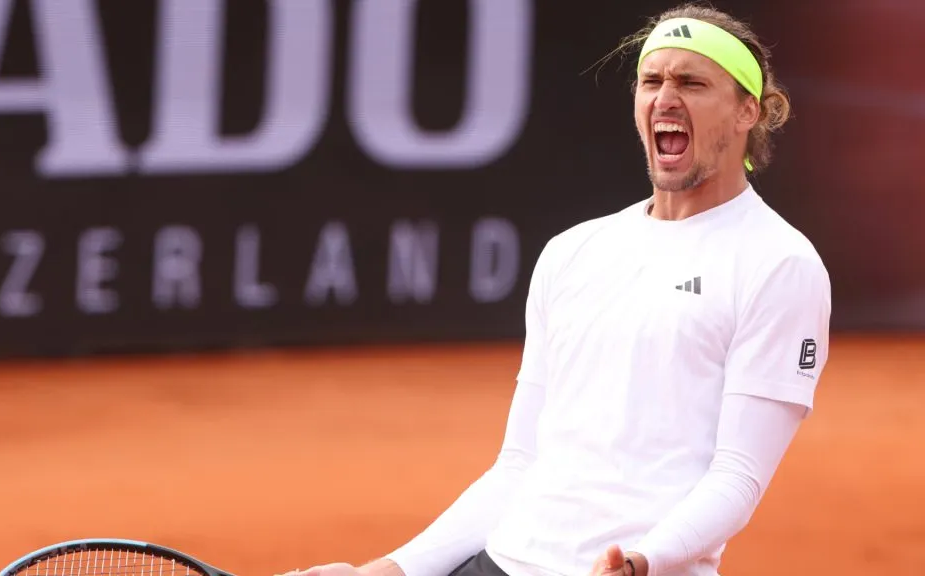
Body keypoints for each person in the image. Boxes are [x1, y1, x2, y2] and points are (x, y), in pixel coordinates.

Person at [287, 3, 831, 576]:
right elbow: (520, 465)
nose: (665, 98)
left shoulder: (780, 265)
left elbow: (737, 478)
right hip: (502, 563)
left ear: (749, 109)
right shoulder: (572, 252)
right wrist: (390, 569)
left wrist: (642, 562)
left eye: (691, 82)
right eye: (652, 80)